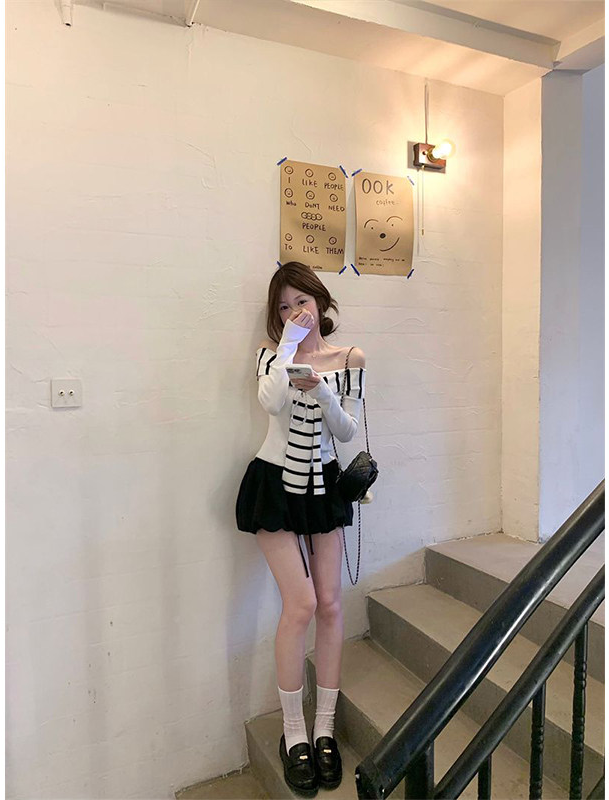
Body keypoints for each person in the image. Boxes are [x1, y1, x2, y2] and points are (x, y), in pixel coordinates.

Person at [235, 261, 366, 795]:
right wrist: (288, 347)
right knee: (302, 604)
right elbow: (270, 402)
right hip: (274, 484)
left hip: (323, 485)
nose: (294, 312)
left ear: (320, 301)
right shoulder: (271, 356)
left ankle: (325, 730)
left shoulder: (350, 358)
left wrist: (325, 392)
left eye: (302, 302)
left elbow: (347, 431)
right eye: (284, 307)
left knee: (330, 604)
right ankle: (294, 734)